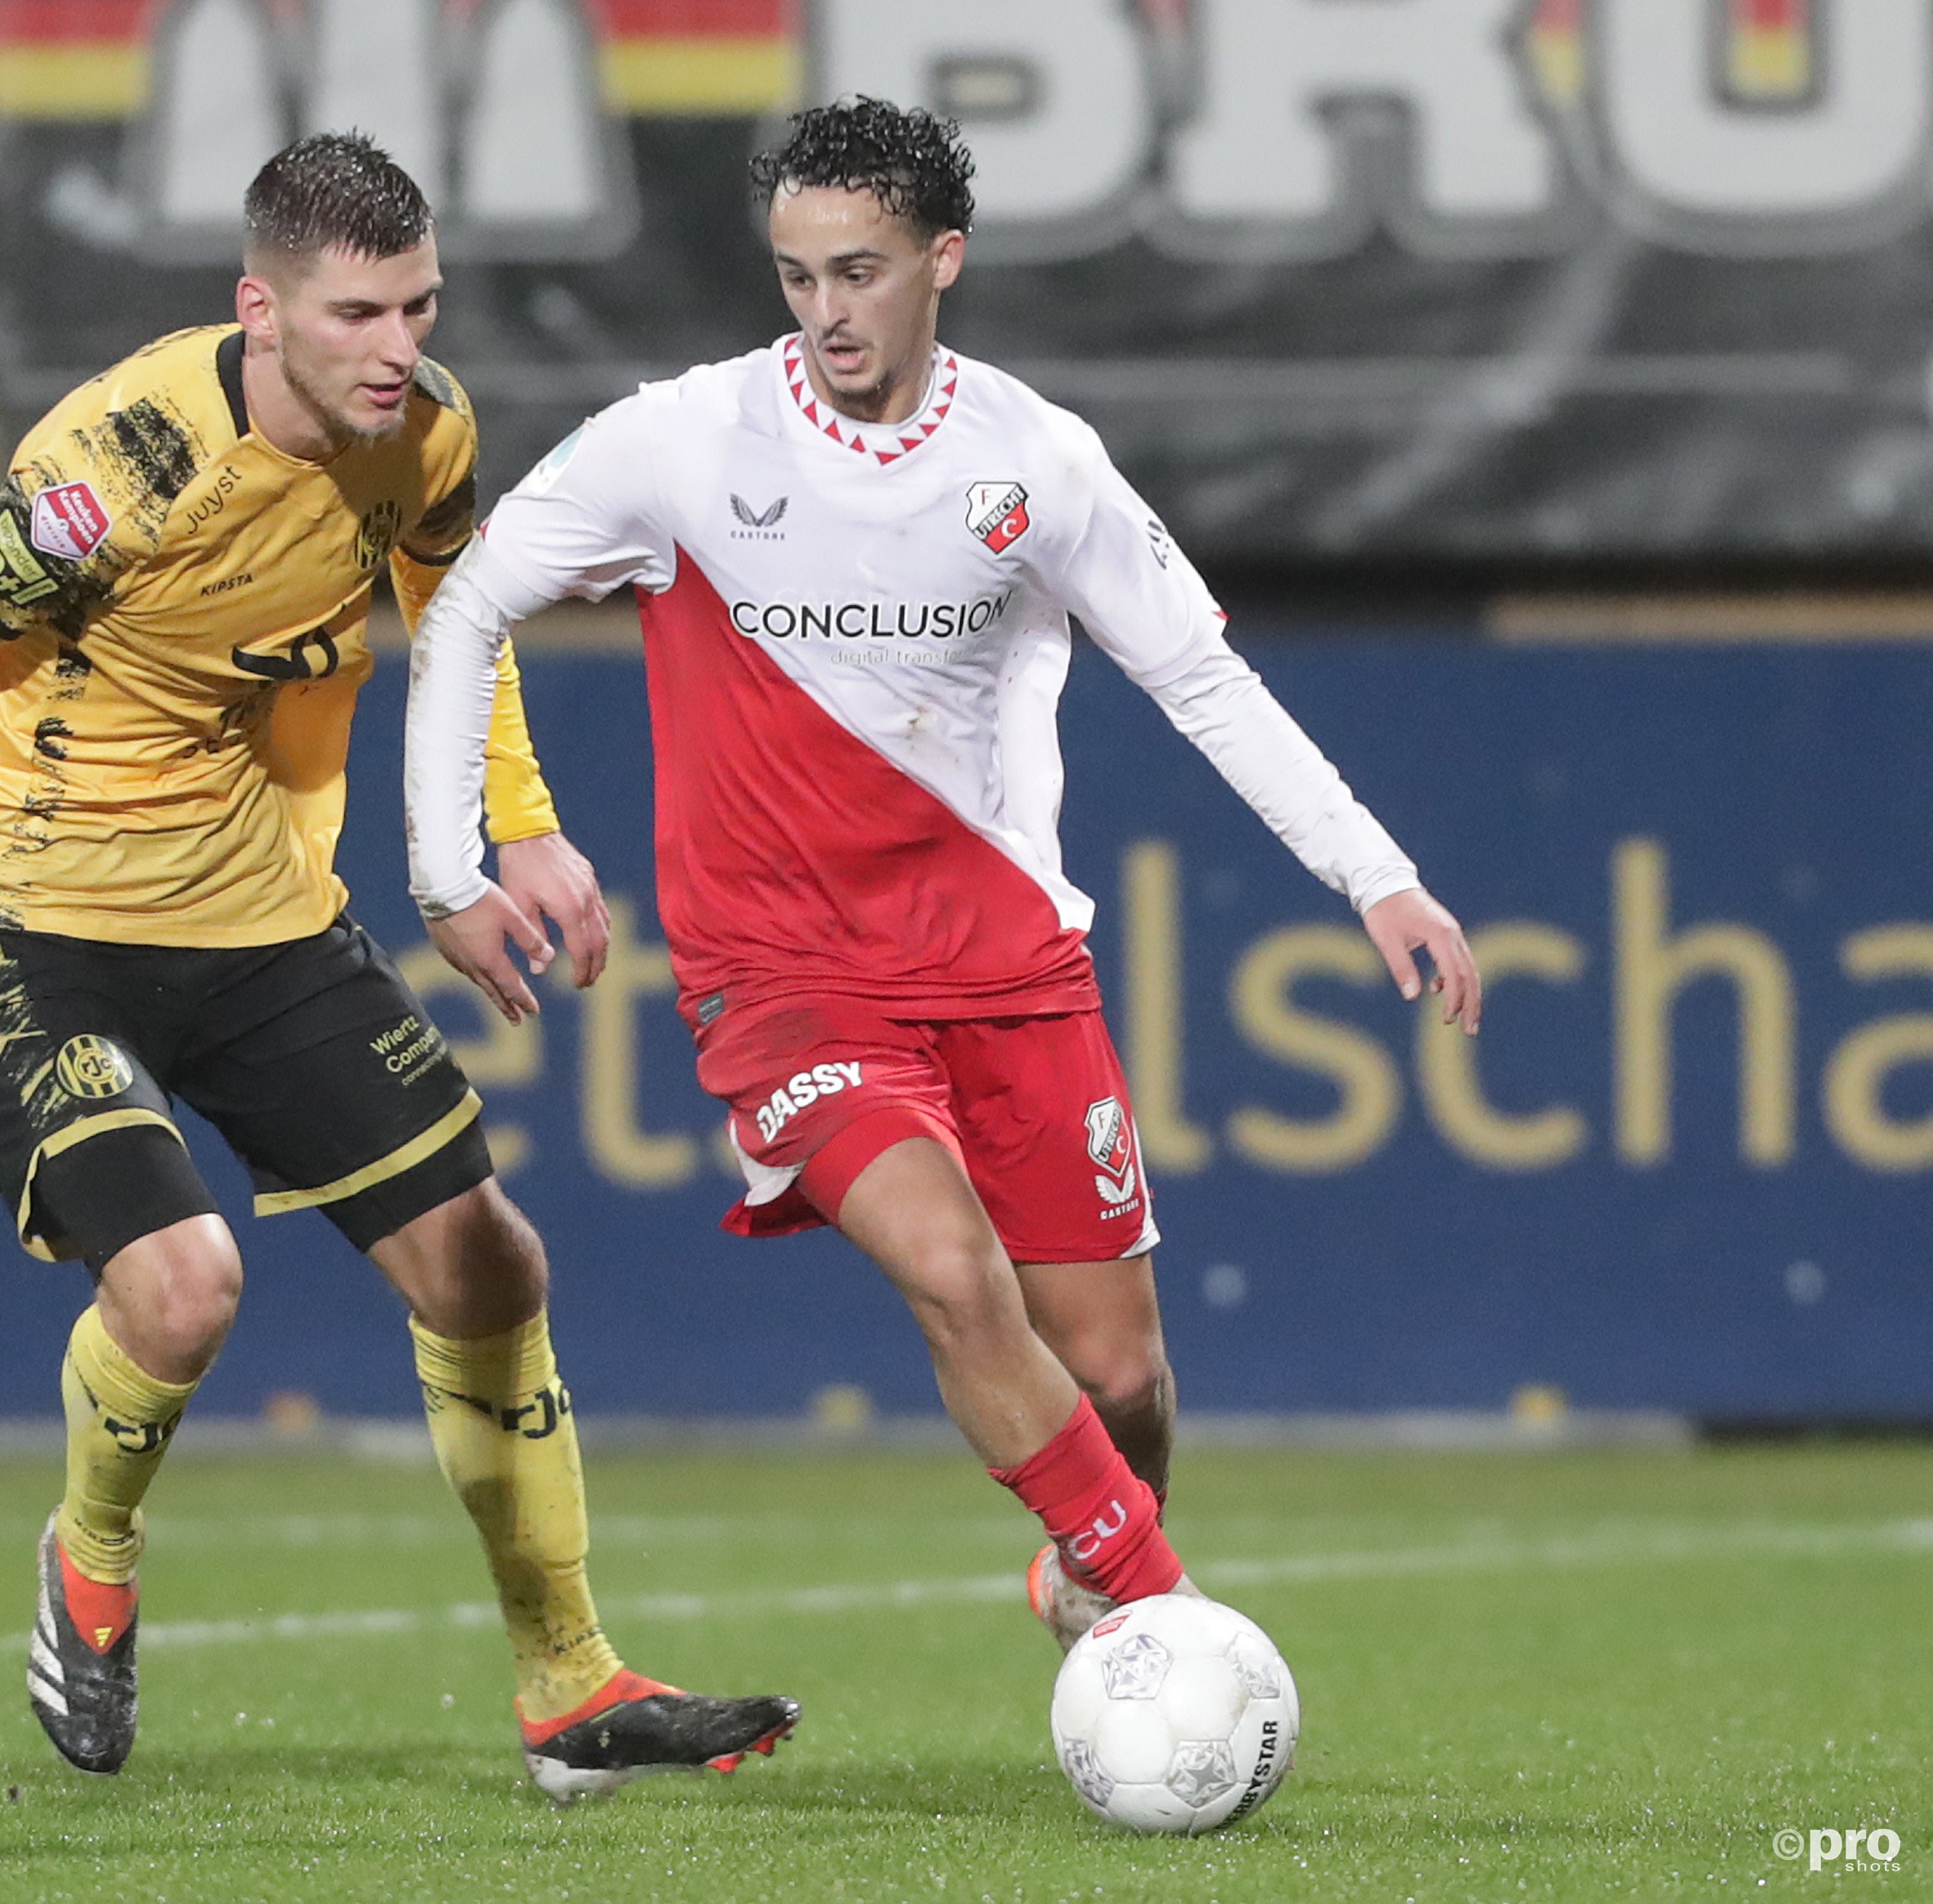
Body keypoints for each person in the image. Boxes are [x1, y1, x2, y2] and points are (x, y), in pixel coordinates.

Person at [0, 132, 797, 1798]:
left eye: (418, 306)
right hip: (33, 923)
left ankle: (570, 1681)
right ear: (259, 310)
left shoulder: (424, 431)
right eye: (356, 313)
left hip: (260, 922)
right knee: (184, 1283)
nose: (396, 347)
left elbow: (459, 611)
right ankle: (91, 1552)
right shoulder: (112, 473)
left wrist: (514, 824)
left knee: (490, 1264)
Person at [402, 98, 1483, 1649]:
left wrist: (1376, 875)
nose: (826, 311)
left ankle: (1098, 1572)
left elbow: (1201, 678)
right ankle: (1170, 1625)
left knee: (1119, 1377)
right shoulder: (683, 441)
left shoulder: (1037, 461)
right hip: (784, 975)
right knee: (951, 1267)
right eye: (797, 276)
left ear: (941, 260)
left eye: (859, 271)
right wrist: (456, 864)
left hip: (1005, 964)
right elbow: (465, 605)